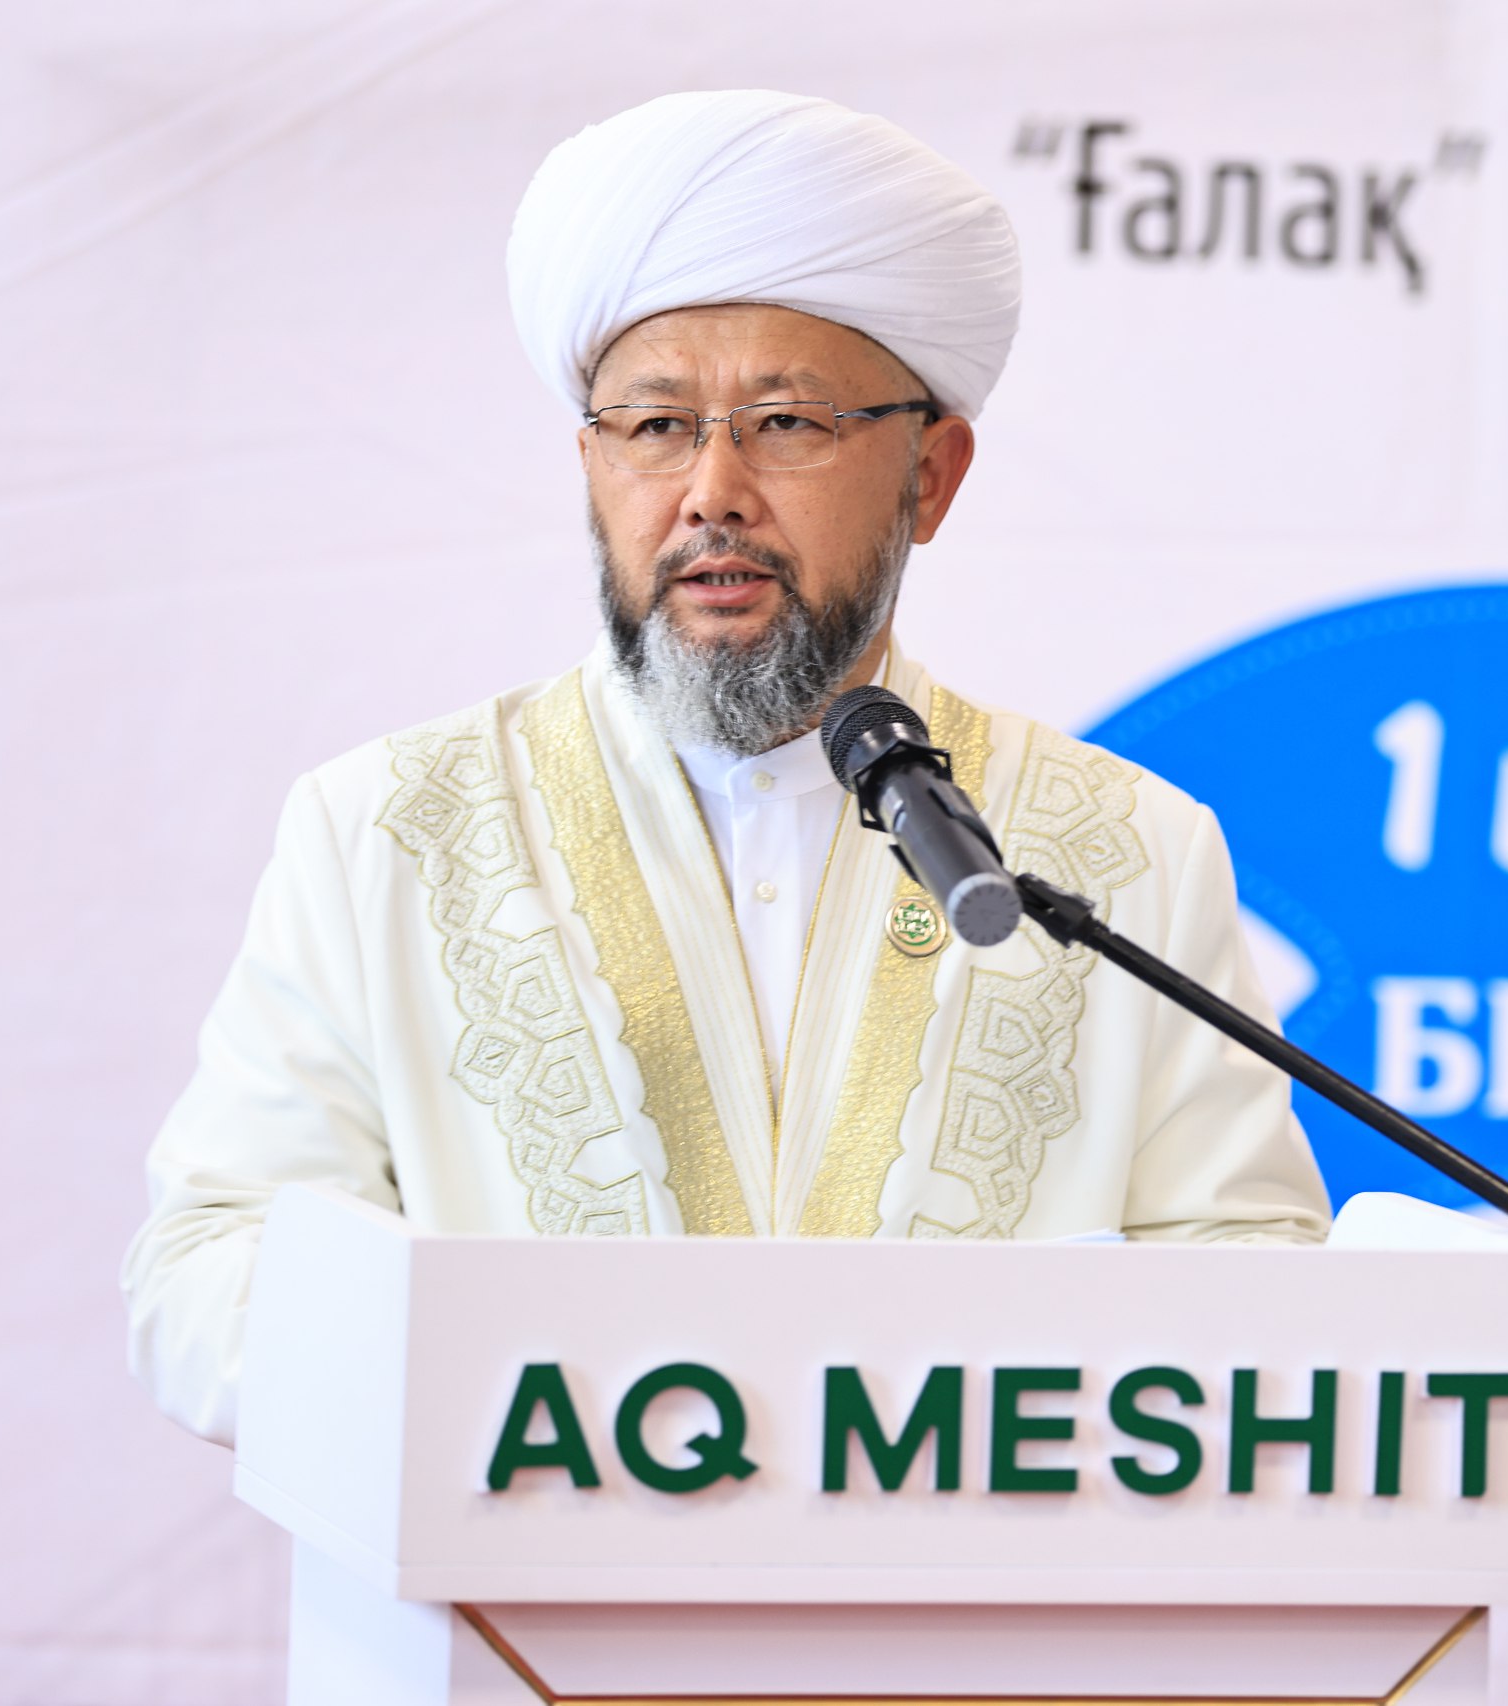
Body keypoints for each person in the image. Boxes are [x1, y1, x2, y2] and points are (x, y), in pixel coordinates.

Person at [123, 90, 1330, 1445]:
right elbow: (205, 1270)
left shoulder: (1126, 849)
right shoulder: (385, 832)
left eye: (788, 424)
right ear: (591, 466)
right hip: (515, 1575)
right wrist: (501, 1377)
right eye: (653, 427)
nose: (710, 492)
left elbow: (1251, 1281)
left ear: (931, 475)